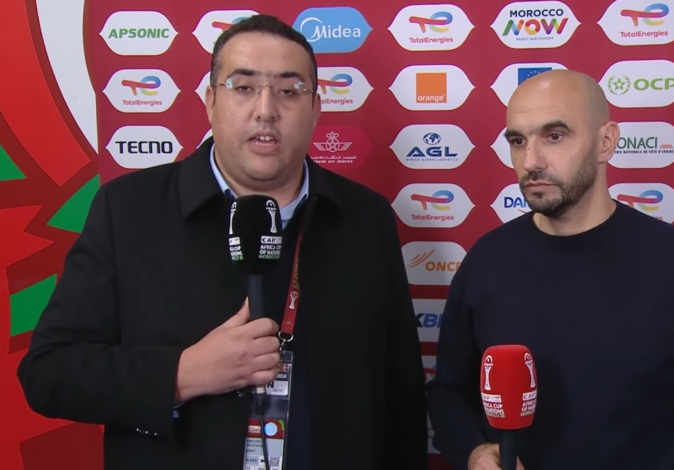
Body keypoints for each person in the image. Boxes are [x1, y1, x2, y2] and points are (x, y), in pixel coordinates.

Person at [17, 14, 428, 470]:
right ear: (211, 101)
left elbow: (402, 395)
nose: (266, 109)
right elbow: (49, 373)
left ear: (315, 109)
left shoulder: (366, 217)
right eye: (244, 87)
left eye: (289, 90)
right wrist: (183, 374)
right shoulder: (128, 209)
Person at [426, 69, 674, 470]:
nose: (531, 161)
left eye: (554, 136)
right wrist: (474, 451)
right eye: (518, 141)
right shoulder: (486, 262)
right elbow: (449, 393)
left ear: (606, 142)